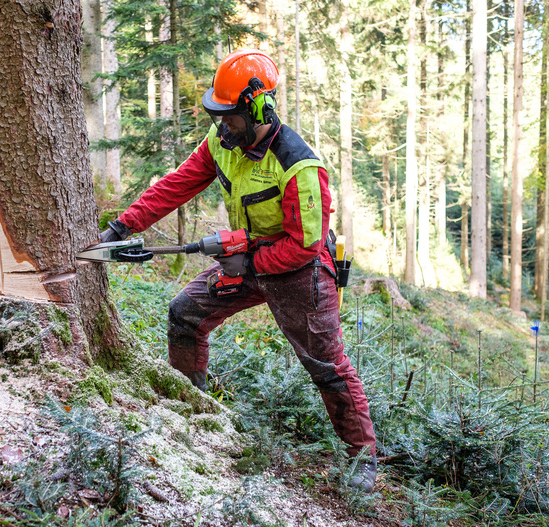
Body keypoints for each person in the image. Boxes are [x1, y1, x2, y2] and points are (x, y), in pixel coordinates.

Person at [100, 49, 377, 492]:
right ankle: (191, 406)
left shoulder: (300, 167)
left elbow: (304, 246)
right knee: (185, 314)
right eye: (218, 115)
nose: (221, 125)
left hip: (298, 273)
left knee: (326, 365)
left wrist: (250, 262)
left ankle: (363, 461)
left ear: (257, 108)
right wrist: (123, 225)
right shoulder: (222, 145)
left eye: (228, 116)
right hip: (245, 257)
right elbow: (178, 183)